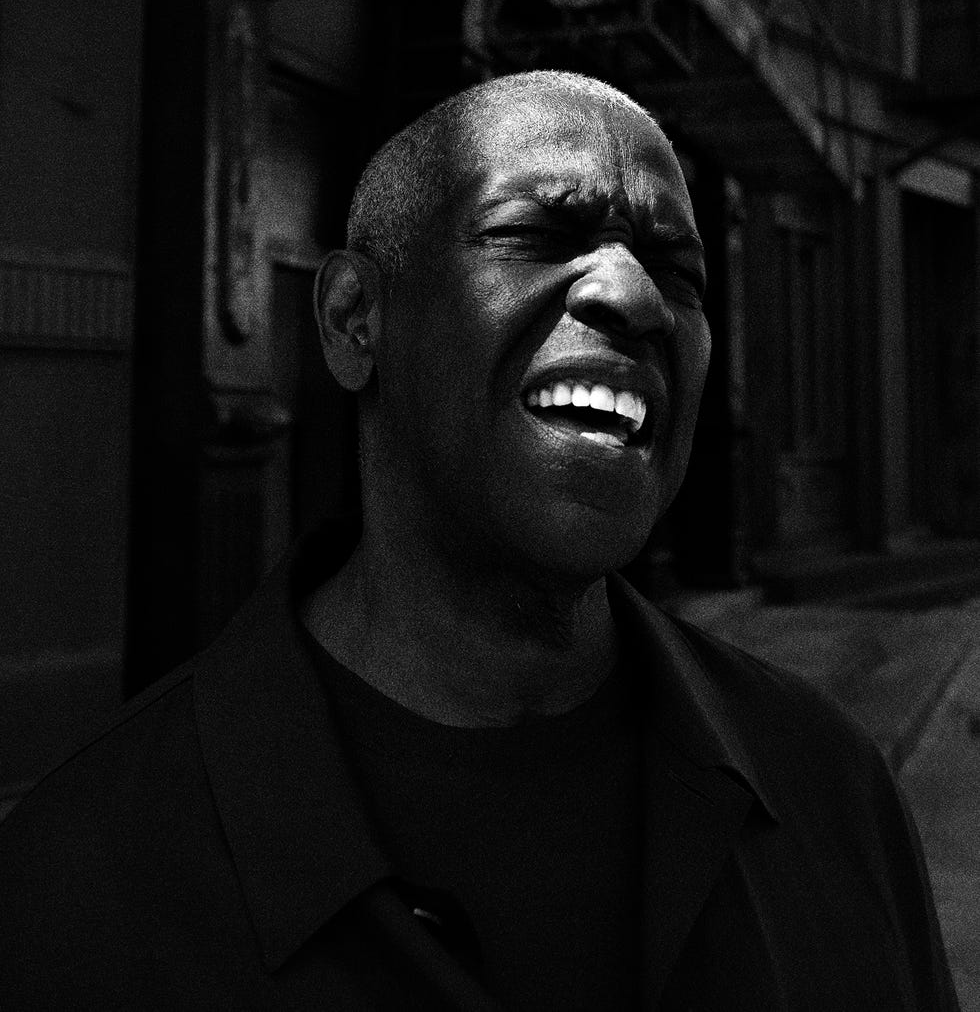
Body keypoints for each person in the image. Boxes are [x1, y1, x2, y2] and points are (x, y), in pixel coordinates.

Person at [0, 71, 958, 1010]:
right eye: (535, 234)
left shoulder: (828, 788)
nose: (635, 297)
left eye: (680, 272)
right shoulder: (83, 879)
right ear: (352, 319)